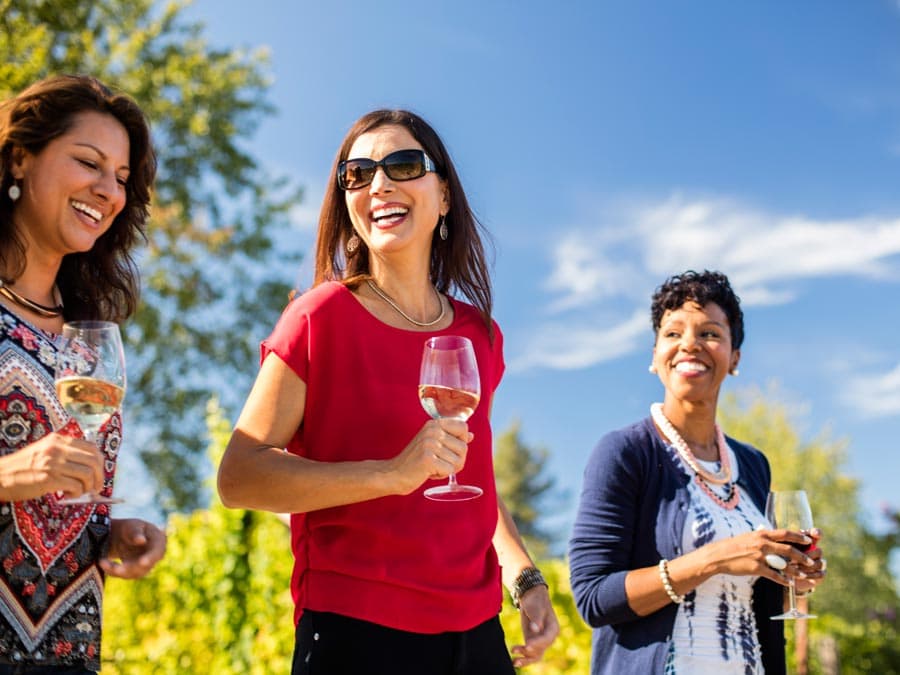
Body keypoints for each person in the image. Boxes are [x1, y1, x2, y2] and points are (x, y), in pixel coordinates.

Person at [218, 109, 559, 674]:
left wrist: (525, 579)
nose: (379, 183)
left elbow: (474, 477)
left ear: (444, 196)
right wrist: (389, 475)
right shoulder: (317, 319)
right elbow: (239, 476)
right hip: (355, 631)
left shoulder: (480, 335)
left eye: (403, 165)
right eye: (358, 173)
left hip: (478, 636)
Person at [568, 270, 827, 674]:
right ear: (655, 356)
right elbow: (594, 598)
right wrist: (715, 559)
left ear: (734, 358)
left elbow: (753, 595)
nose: (690, 343)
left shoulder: (753, 464)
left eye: (710, 333)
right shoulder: (624, 452)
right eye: (673, 334)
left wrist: (792, 573)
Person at [0, 74, 167, 673]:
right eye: (88, 163)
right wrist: (8, 474)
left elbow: (53, 498)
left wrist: (109, 532)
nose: (108, 190)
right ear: (20, 159)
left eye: (121, 179)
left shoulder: (87, 337)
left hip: (67, 650)